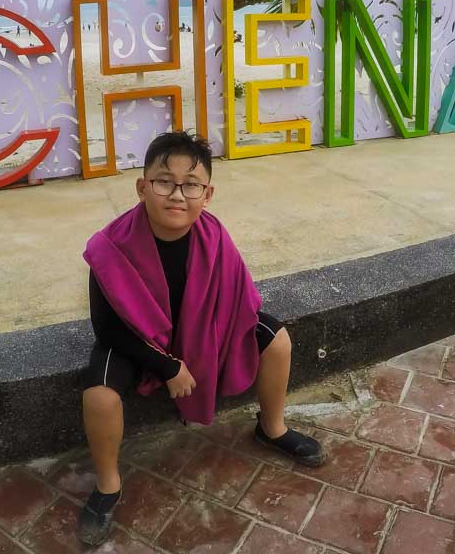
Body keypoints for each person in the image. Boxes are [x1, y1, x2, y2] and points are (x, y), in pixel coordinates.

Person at [77, 131, 325, 545]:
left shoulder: (214, 236)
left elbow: (236, 298)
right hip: (139, 337)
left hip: (205, 327)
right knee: (99, 395)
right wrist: (168, 365)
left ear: (207, 193)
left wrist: (214, 342)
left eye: (190, 184)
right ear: (142, 187)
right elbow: (107, 328)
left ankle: (273, 428)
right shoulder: (110, 247)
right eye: (164, 181)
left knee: (276, 339)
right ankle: (107, 486)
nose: (177, 194)